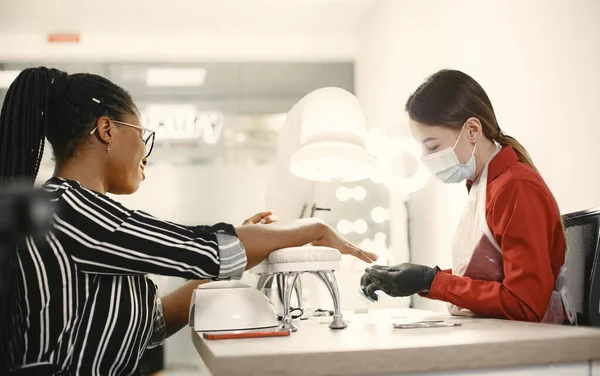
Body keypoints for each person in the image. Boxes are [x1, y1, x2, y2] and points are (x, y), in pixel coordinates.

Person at [0, 67, 377, 376]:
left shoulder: (72, 209)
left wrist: (246, 244)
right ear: (107, 130)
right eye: (143, 137)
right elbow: (211, 250)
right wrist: (312, 229)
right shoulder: (74, 210)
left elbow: (152, 325)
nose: (145, 157)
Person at [360, 69, 575, 324]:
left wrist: (432, 280)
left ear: (472, 130)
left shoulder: (515, 187)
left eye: (432, 146)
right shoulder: (481, 185)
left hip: (535, 343)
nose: (426, 158)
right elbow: (489, 279)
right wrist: (418, 279)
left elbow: (525, 304)